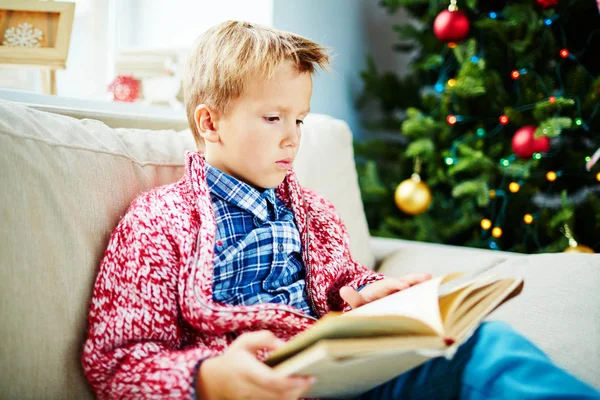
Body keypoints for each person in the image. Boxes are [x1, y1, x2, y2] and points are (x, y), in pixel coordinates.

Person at [82, 20, 600, 400]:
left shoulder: (315, 212)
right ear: (211, 123)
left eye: (300, 119)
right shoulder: (157, 221)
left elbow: (344, 281)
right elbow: (117, 361)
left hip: (345, 374)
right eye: (272, 117)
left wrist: (370, 292)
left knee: (484, 345)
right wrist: (207, 379)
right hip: (258, 384)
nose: (292, 136)